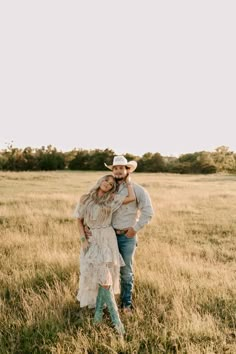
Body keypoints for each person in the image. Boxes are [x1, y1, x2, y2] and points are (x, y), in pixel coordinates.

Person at [74, 173, 135, 335]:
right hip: (92, 238)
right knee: (98, 276)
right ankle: (99, 314)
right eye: (106, 180)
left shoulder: (111, 198)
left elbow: (131, 198)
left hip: (107, 238)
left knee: (106, 277)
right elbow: (79, 220)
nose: (108, 184)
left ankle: (115, 320)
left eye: (111, 184)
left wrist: (128, 182)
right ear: (100, 180)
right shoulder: (85, 198)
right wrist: (83, 239)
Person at [104, 155, 154, 314]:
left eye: (121, 168)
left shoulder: (138, 190)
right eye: (115, 168)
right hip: (109, 236)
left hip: (127, 236)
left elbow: (148, 212)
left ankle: (126, 304)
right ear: (112, 171)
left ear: (127, 170)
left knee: (126, 271)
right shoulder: (107, 188)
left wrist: (135, 228)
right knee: (108, 270)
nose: (118, 171)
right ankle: (108, 302)